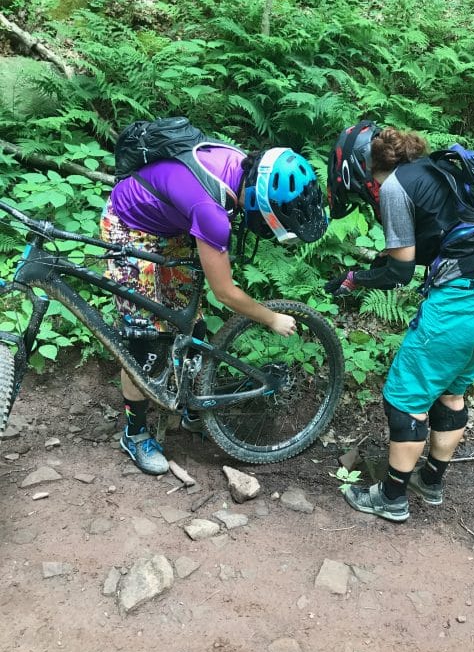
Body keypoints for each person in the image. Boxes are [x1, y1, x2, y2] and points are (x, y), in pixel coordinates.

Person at [326, 120, 474, 522]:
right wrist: (370, 269)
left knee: (404, 398)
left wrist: (354, 279)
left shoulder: (394, 189)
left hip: (461, 301)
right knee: (450, 392)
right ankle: (430, 482)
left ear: (360, 170)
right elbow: (425, 245)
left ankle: (391, 497)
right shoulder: (432, 172)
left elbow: (400, 271)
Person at [101, 142, 327, 474]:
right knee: (144, 342)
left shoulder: (243, 169)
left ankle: (192, 407)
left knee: (191, 325)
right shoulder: (211, 210)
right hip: (130, 225)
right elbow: (225, 293)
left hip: (171, 223)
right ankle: (134, 434)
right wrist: (271, 318)